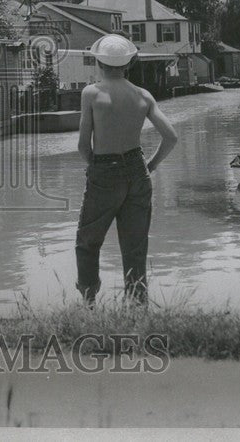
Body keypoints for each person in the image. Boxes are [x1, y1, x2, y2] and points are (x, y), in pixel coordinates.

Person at [75, 34, 178, 306]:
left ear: (99, 62)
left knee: (88, 241)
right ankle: (137, 303)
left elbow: (83, 146)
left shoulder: (92, 93)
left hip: (104, 169)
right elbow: (171, 138)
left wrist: (96, 169)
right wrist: (151, 166)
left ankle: (88, 302)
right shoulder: (143, 95)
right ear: (128, 63)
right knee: (135, 247)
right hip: (137, 169)